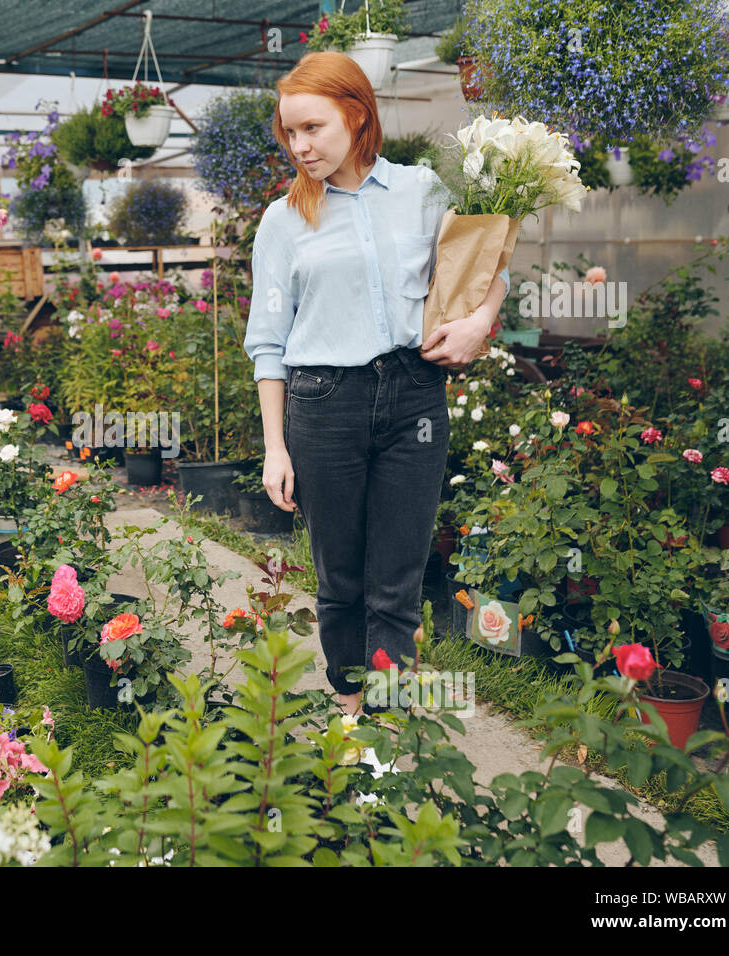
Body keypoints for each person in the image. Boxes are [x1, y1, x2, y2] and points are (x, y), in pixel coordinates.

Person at [243, 51, 510, 718]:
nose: (300, 146)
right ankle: (349, 704)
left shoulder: (423, 190)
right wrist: (275, 447)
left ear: (356, 115)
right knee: (340, 579)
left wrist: (481, 321)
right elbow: (268, 345)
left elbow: (486, 265)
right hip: (321, 404)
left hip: (413, 397)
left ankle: (385, 723)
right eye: (290, 134)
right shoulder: (284, 221)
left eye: (313, 128)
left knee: (396, 578)